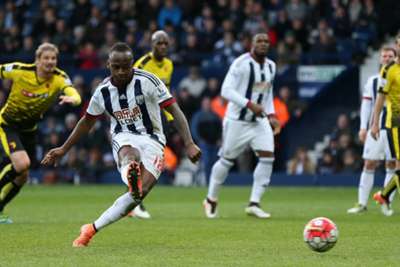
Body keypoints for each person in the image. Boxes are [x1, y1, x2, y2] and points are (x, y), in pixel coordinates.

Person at [41, 43, 201, 247]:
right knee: (129, 154)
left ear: (132, 64)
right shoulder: (102, 91)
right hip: (124, 135)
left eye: (126, 66)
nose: (122, 71)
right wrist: (64, 148)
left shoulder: (148, 81)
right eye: (116, 67)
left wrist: (189, 143)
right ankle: (130, 172)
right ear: (108, 65)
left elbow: (175, 110)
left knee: (137, 196)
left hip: (154, 139)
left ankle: (90, 229)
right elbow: (87, 121)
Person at [0, 42, 81, 224]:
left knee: (23, 176)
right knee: (22, 164)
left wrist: (73, 99)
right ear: (37, 60)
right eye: (46, 58)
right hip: (8, 125)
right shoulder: (20, 70)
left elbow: (75, 94)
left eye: (53, 58)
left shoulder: (59, 78)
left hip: (29, 130)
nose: (50, 62)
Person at [203, 33, 281, 219]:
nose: (263, 44)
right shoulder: (241, 64)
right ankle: (211, 199)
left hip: (259, 121)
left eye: (266, 42)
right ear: (251, 44)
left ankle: (254, 203)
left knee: (268, 157)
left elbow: (267, 93)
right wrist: (249, 104)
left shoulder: (271, 66)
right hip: (237, 120)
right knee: (227, 160)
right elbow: (226, 90)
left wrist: (271, 114)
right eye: (259, 41)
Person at [128, 30, 173, 219]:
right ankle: (134, 202)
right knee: (140, 159)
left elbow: (166, 92)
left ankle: (132, 202)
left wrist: (169, 117)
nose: (162, 47)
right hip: (142, 117)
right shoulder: (142, 64)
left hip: (159, 117)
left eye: (165, 44)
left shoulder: (169, 64)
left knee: (151, 159)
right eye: (158, 43)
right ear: (152, 45)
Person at [347, 47, 396, 214]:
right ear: (380, 59)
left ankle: (386, 202)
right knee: (369, 163)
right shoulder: (373, 81)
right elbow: (366, 105)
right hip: (376, 127)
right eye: (384, 56)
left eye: (390, 56)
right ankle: (362, 203)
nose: (387, 58)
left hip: (393, 127)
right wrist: (363, 127)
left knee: (392, 164)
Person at [372, 34, 400, 216]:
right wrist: (375, 123)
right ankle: (383, 196)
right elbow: (380, 98)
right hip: (396, 122)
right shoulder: (388, 70)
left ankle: (383, 195)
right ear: (397, 46)